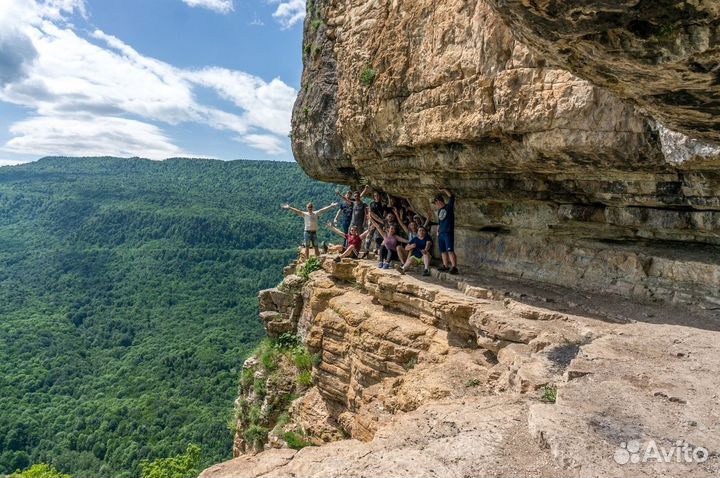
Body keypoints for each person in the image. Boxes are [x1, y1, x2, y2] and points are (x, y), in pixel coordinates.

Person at [434, 189, 458, 274]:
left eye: (436, 203)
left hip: (448, 232)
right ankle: (445, 266)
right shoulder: (440, 211)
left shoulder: (448, 207)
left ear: (439, 201)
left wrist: (444, 190)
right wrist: (437, 231)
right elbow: (439, 222)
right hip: (441, 233)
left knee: (450, 250)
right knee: (443, 251)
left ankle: (454, 267)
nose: (436, 205)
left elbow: (451, 197)